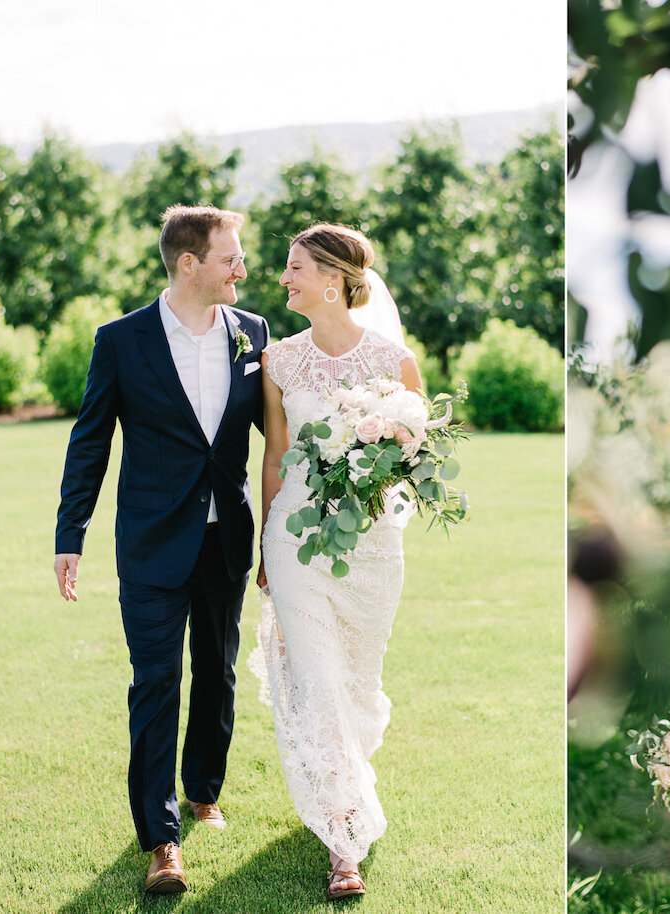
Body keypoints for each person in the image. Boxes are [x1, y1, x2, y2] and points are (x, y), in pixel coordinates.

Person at [53, 205, 270, 894]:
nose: (242, 268)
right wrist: (70, 535)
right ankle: (161, 838)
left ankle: (206, 790)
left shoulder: (255, 334)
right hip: (149, 542)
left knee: (218, 671)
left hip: (226, 538)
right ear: (189, 264)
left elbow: (286, 437)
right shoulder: (122, 340)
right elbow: (90, 441)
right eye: (230, 257)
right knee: (155, 685)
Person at [251, 223, 423, 900]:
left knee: (354, 681)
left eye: (293, 268)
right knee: (315, 678)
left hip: (369, 544)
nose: (284, 278)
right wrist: (267, 542)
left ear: (331, 278)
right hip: (295, 540)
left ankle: (342, 777)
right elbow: (274, 455)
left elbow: (415, 454)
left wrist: (369, 471)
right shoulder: (281, 362)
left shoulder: (392, 359)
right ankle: (343, 842)